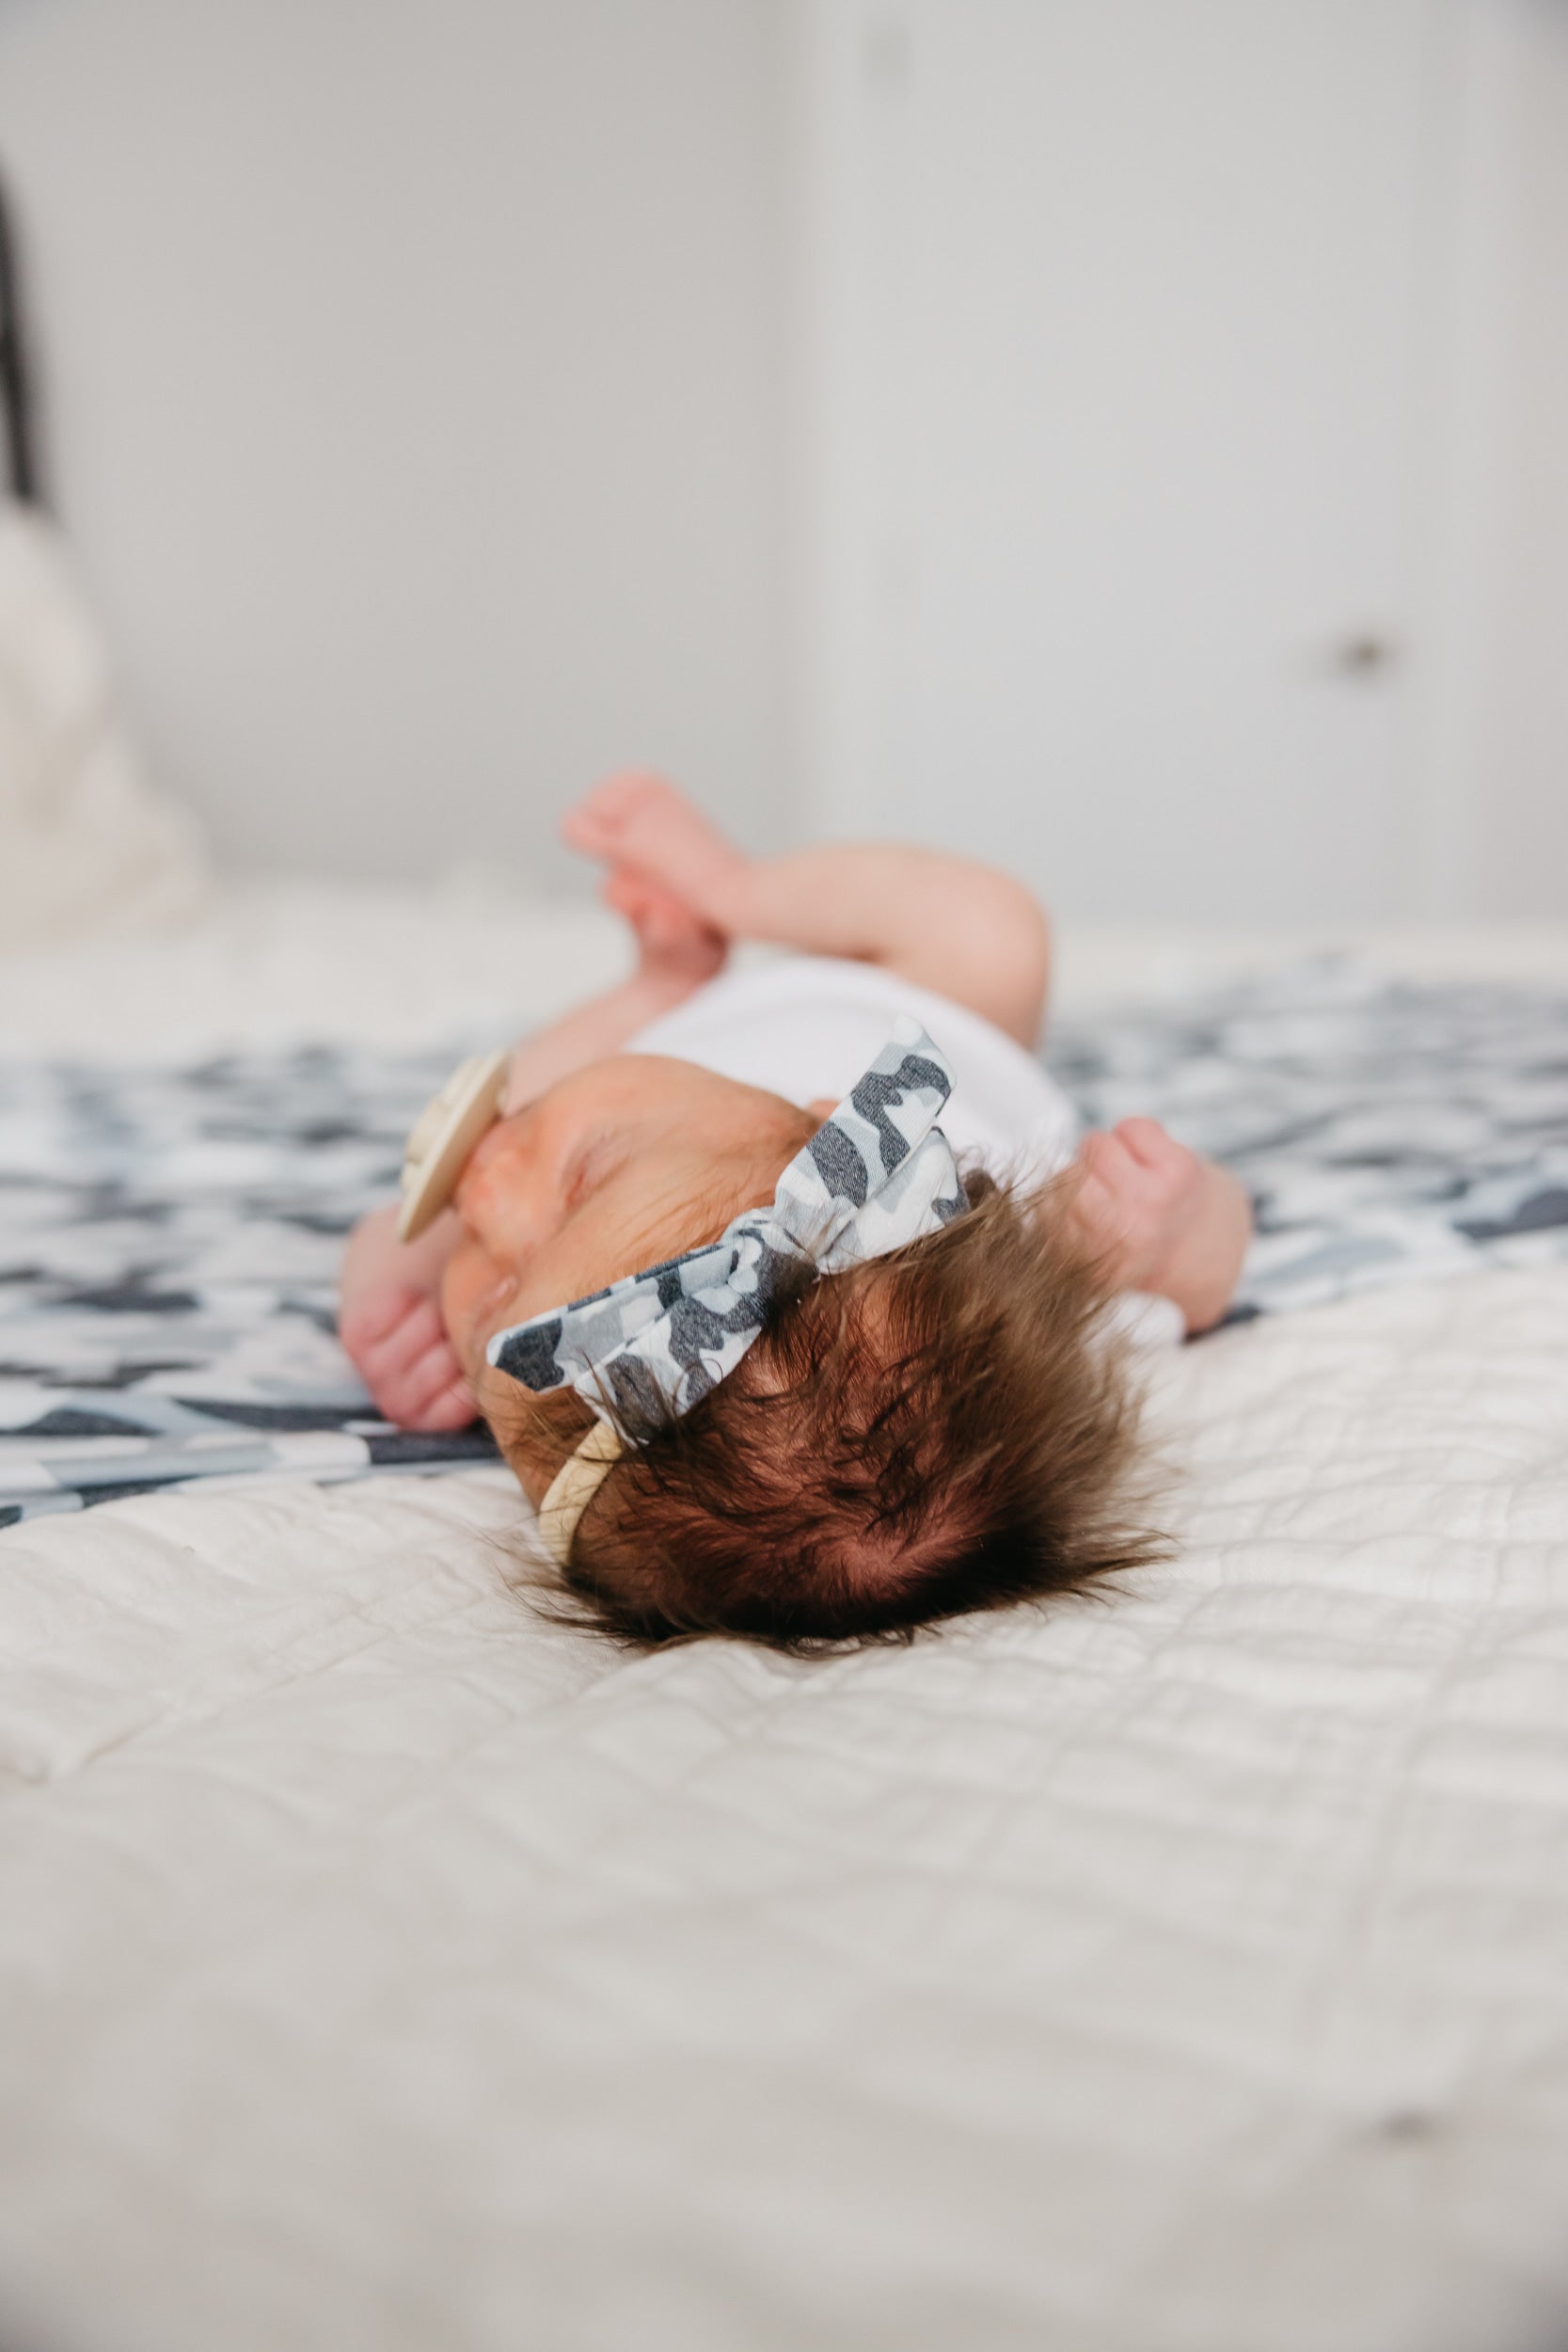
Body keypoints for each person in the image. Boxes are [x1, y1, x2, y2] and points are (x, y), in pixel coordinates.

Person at [339, 774, 1252, 1648]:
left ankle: (662, 984)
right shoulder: (1041, 1251)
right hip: (920, 1024)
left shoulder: (559, 1361)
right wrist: (1171, 1224)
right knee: (992, 932)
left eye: (493, 1303)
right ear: (825, 1119)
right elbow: (1211, 1273)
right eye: (586, 1175)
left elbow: (398, 1226)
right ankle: (739, 890)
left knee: (543, 1091)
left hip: (656, 1049)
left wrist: (385, 1299)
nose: (483, 1192)